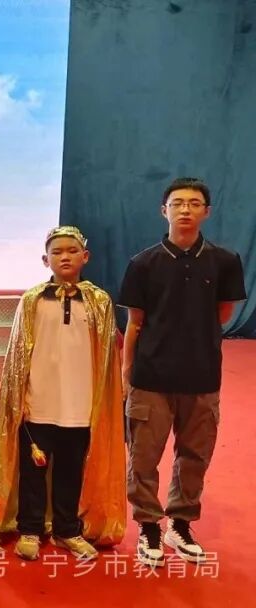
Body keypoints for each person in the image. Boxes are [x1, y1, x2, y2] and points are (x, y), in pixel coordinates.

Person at [119, 177, 247, 567]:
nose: (185, 210)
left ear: (207, 211)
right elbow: (135, 323)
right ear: (165, 211)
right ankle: (148, 526)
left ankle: (180, 523)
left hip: (202, 377)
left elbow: (223, 314)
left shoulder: (225, 261)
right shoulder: (143, 263)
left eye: (194, 203)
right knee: (143, 457)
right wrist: (127, 375)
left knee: (194, 455)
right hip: (151, 378)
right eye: (177, 203)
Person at [0, 226, 126, 561]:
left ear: (85, 257)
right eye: (57, 252)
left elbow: (107, 357)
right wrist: (21, 397)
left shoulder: (99, 302)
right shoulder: (32, 300)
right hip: (39, 401)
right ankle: (30, 529)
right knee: (33, 470)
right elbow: (18, 355)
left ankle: (66, 529)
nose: (65, 257)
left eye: (72, 251)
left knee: (71, 470)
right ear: (45, 259)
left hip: (80, 402)